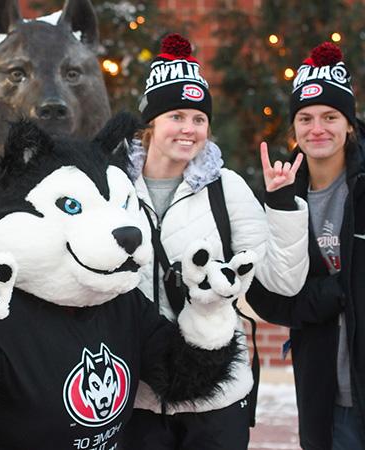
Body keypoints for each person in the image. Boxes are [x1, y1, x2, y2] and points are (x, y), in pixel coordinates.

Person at [122, 34, 310, 450]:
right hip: (132, 397)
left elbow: (282, 279)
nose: (189, 129)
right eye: (177, 116)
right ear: (151, 123)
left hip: (217, 396)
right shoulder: (111, 187)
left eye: (199, 118)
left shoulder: (227, 188)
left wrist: (281, 204)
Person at [246, 42, 365, 450]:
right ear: (293, 127)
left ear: (349, 124)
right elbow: (263, 293)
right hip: (326, 394)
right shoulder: (283, 194)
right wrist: (327, 296)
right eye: (306, 117)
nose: (318, 128)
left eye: (331, 116)